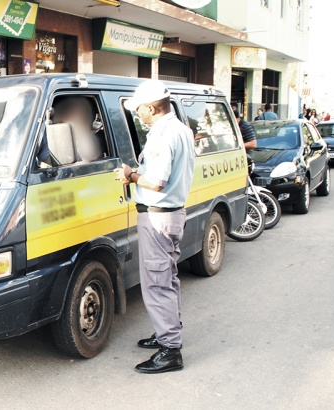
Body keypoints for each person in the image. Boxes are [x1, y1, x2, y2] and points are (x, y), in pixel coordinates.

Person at [117, 80, 195, 374]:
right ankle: (167, 330)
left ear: (152, 107)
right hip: (172, 214)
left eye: (139, 110)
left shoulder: (162, 136)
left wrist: (131, 175)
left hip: (158, 216)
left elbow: (157, 181)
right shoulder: (181, 129)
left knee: (157, 282)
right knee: (168, 277)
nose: (139, 115)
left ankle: (170, 351)